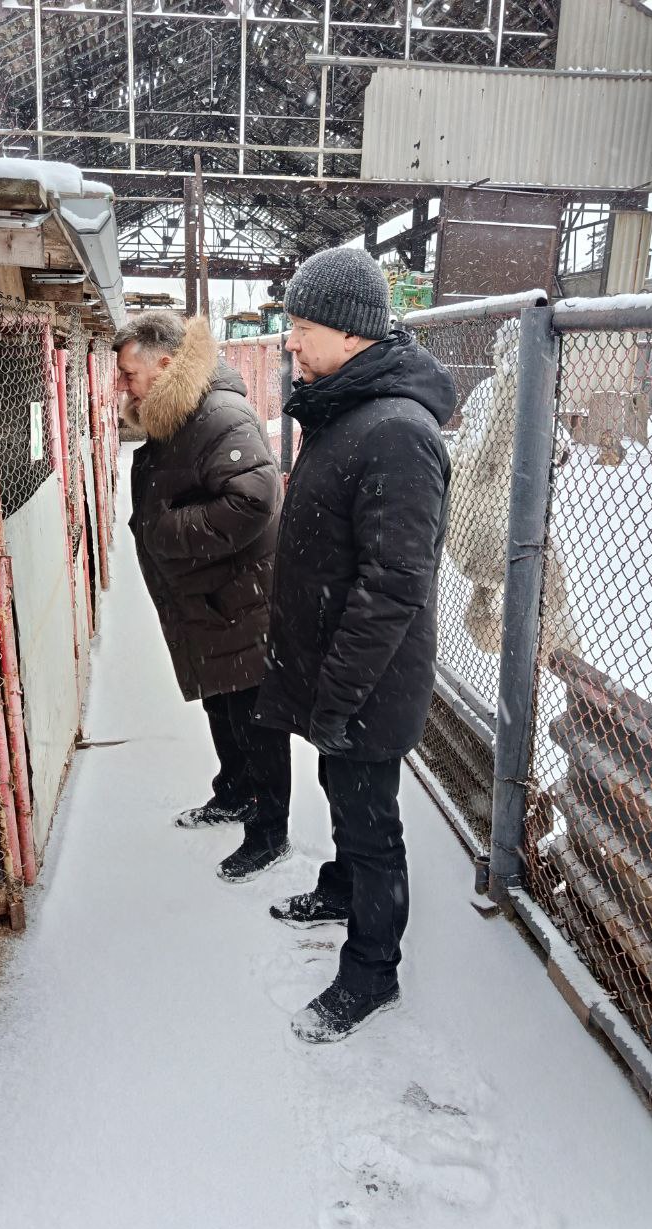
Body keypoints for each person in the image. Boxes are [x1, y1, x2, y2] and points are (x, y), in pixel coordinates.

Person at [255, 247, 456, 1043]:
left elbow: (394, 585)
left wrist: (338, 695)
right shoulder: (345, 408)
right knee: (341, 790)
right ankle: (339, 888)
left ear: (349, 332)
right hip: (336, 669)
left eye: (302, 327)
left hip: (369, 678)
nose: (291, 341)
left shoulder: (397, 433)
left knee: (373, 825)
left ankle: (372, 971)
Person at [115, 310, 292, 883]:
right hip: (210, 597)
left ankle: (269, 833)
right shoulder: (178, 412)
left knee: (253, 717)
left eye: (129, 374)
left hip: (239, 598)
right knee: (223, 703)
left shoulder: (218, 414)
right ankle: (235, 792)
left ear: (165, 365)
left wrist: (165, 531)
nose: (123, 386)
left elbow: (254, 499)